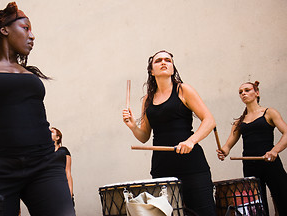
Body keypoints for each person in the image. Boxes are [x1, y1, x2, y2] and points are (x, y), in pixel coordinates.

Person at [0, 2, 75, 216]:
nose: (32, 36)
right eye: (26, 28)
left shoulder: (30, 75)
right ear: (4, 29)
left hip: (44, 164)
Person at [122, 50, 217, 215]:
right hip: (162, 167)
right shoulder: (147, 99)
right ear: (152, 71)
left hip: (191, 165)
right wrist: (132, 126)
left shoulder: (183, 90)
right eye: (158, 61)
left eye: (168, 60)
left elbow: (209, 120)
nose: (164, 62)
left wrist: (191, 141)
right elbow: (144, 136)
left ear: (173, 68)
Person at [217, 81, 287, 215]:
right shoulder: (240, 121)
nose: (243, 93)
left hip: (270, 163)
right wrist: (223, 151)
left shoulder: (269, 112)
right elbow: (228, 145)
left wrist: (275, 150)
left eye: (247, 90)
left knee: (283, 197)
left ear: (257, 93)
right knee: (258, 205)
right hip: (250, 165)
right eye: (240, 92)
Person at [50, 127, 74, 202]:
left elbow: (68, 172)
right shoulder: (46, 153)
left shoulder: (63, 151)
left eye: (52, 132)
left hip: (62, 187)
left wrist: (70, 194)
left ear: (57, 137)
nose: (49, 133)